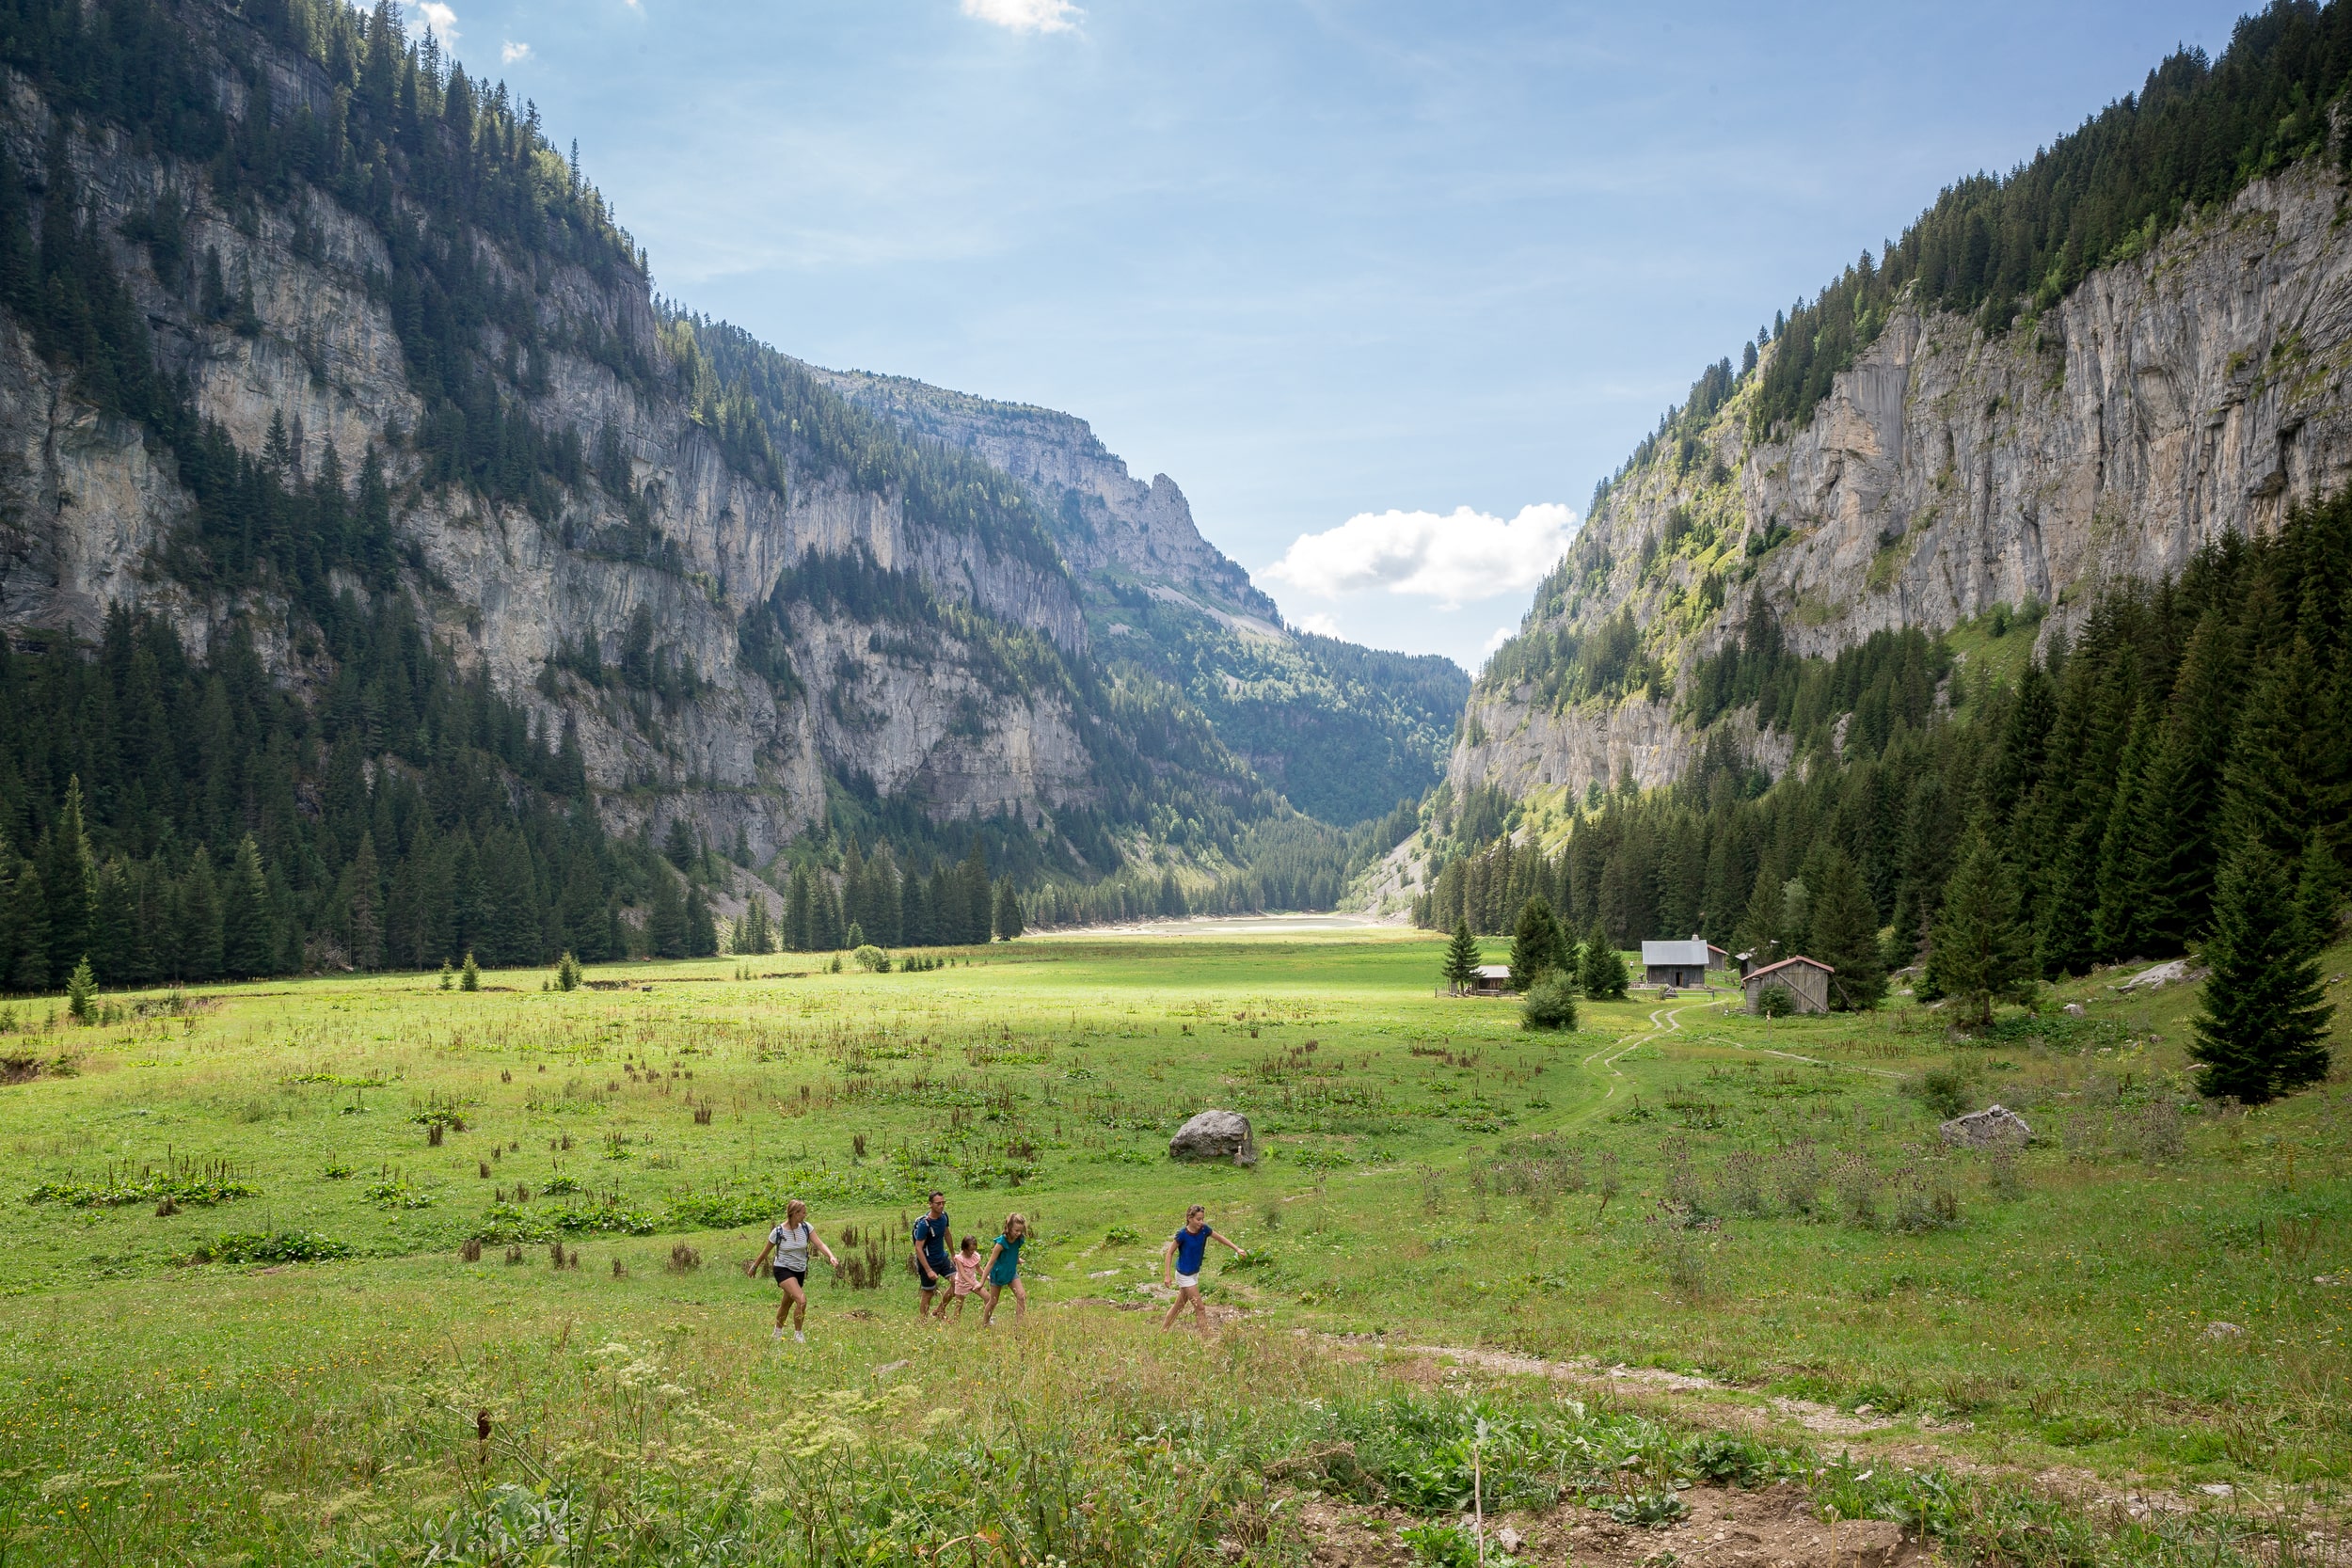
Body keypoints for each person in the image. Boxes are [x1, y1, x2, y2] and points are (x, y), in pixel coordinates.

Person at [745, 1197, 840, 1342]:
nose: (805, 1215)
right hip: (782, 1269)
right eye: (803, 1213)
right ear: (794, 1213)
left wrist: (831, 1256)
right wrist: (754, 1267)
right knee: (801, 1300)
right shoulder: (778, 1232)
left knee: (786, 1303)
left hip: (799, 1270)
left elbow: (820, 1244)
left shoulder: (806, 1228)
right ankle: (798, 1335)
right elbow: (765, 1252)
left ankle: (777, 1333)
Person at [1160, 1204, 1246, 1334]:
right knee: (1200, 1308)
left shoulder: (1204, 1230)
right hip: (1184, 1275)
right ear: (1190, 1218)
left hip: (1194, 1273)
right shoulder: (1182, 1234)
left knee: (1179, 1306)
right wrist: (1167, 1275)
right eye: (1198, 1219)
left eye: (1202, 1219)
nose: (1201, 1222)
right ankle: (1207, 1338)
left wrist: (1237, 1248)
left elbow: (1220, 1238)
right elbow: (1169, 1253)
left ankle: (1162, 1332)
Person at [910, 1190, 953, 1320]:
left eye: (943, 1203)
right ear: (930, 1204)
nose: (941, 1206)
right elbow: (918, 1248)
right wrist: (928, 1270)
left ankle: (940, 1310)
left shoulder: (944, 1216)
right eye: (938, 1203)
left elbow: (947, 1234)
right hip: (928, 1261)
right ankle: (923, 1320)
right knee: (928, 1293)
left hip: (942, 1258)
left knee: (957, 1283)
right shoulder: (925, 1224)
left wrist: (953, 1254)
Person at [980, 1212, 1028, 1326]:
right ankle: (985, 1323)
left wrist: (1017, 1260)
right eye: (1016, 1230)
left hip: (1011, 1273)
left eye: (1020, 1230)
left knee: (1022, 1296)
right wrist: (981, 1282)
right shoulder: (1001, 1243)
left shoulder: (1019, 1239)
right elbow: (990, 1263)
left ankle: (1019, 1325)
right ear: (1009, 1227)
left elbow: (1015, 1250)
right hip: (998, 1275)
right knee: (993, 1302)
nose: (1018, 1233)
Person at [948, 1235, 983, 1321]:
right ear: (964, 1248)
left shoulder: (974, 1255)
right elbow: (963, 1274)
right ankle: (956, 1323)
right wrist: (973, 1284)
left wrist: (987, 1277)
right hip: (962, 1284)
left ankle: (987, 1318)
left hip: (973, 1281)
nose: (972, 1252)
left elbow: (978, 1268)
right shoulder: (959, 1258)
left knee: (987, 1297)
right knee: (959, 1305)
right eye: (971, 1250)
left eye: (974, 1249)